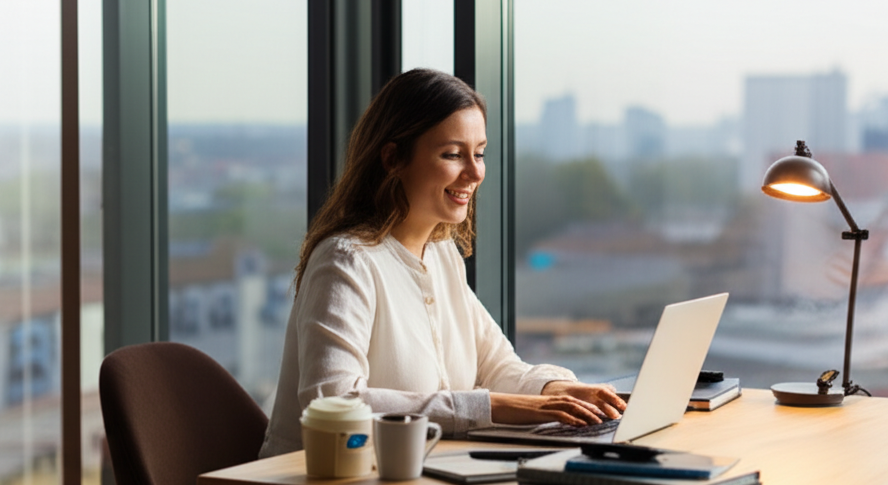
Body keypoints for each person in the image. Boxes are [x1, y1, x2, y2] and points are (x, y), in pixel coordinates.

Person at [260, 68, 626, 459]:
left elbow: (498, 366)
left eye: (480, 153)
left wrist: (555, 391)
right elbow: (333, 401)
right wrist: (493, 407)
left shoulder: (442, 254)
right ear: (392, 158)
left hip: (409, 480)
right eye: (452, 154)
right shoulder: (346, 261)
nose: (474, 172)